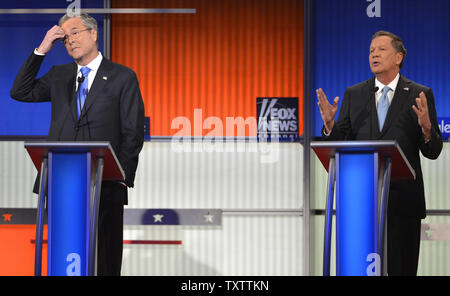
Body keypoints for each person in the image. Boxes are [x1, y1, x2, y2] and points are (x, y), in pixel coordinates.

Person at [10, 13, 145, 276]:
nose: (70, 40)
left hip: (106, 183)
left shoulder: (122, 76)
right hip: (63, 181)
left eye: (75, 32)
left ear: (94, 34)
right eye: (64, 37)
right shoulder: (59, 75)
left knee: (104, 257)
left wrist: (122, 176)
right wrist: (42, 48)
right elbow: (20, 91)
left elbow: (132, 132)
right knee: (66, 253)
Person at [316, 31, 442, 275]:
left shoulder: (419, 94)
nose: (373, 54)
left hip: (403, 204)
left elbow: (433, 151)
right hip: (360, 202)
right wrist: (330, 126)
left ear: (398, 57)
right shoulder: (354, 94)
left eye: (381, 49)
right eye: (371, 50)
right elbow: (341, 144)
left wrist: (427, 129)